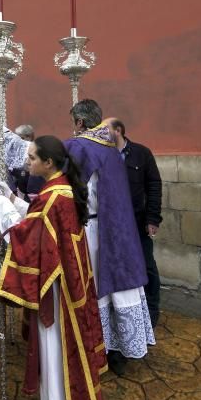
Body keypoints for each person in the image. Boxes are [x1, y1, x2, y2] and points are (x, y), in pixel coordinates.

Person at [0, 136, 106, 400]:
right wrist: (14, 198)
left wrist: (0, 207)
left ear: (49, 163)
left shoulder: (54, 196)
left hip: (56, 297)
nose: (27, 163)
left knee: (59, 359)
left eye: (32, 158)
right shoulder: (59, 190)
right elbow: (37, 221)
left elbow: (28, 236)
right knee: (68, 357)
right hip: (69, 290)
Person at [64, 99, 155, 376]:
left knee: (96, 290)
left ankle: (97, 349)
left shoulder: (78, 146)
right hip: (118, 229)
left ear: (80, 122)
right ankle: (119, 351)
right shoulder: (113, 148)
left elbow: (59, 185)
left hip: (91, 230)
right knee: (117, 287)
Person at [108, 118, 162, 327]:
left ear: (119, 131)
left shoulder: (142, 153)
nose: (102, 135)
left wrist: (152, 218)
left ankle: (152, 309)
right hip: (114, 224)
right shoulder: (105, 156)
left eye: (106, 130)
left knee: (147, 266)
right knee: (120, 266)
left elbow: (154, 186)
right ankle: (127, 309)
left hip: (138, 222)